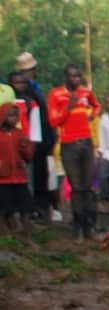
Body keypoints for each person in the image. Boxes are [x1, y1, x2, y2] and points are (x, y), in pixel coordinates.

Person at [47, 64, 101, 239]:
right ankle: (77, 226)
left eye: (78, 76)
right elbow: (54, 121)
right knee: (76, 186)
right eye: (72, 76)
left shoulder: (85, 92)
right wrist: (68, 107)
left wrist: (92, 115)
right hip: (68, 144)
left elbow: (96, 105)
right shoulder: (56, 94)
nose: (76, 79)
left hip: (86, 142)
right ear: (65, 77)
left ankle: (90, 225)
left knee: (88, 186)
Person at [9, 70, 56, 221]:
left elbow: (35, 130)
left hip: (25, 147)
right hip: (7, 147)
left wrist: (30, 150)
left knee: (27, 180)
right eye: (16, 82)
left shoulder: (32, 103)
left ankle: (27, 213)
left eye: (23, 82)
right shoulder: (6, 103)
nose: (20, 85)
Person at [0, 103, 34, 232]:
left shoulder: (20, 134)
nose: (13, 119)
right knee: (4, 209)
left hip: (19, 177)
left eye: (15, 116)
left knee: (25, 208)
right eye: (10, 115)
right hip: (3, 178)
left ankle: (27, 235)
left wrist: (26, 147)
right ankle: (6, 235)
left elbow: (28, 157)